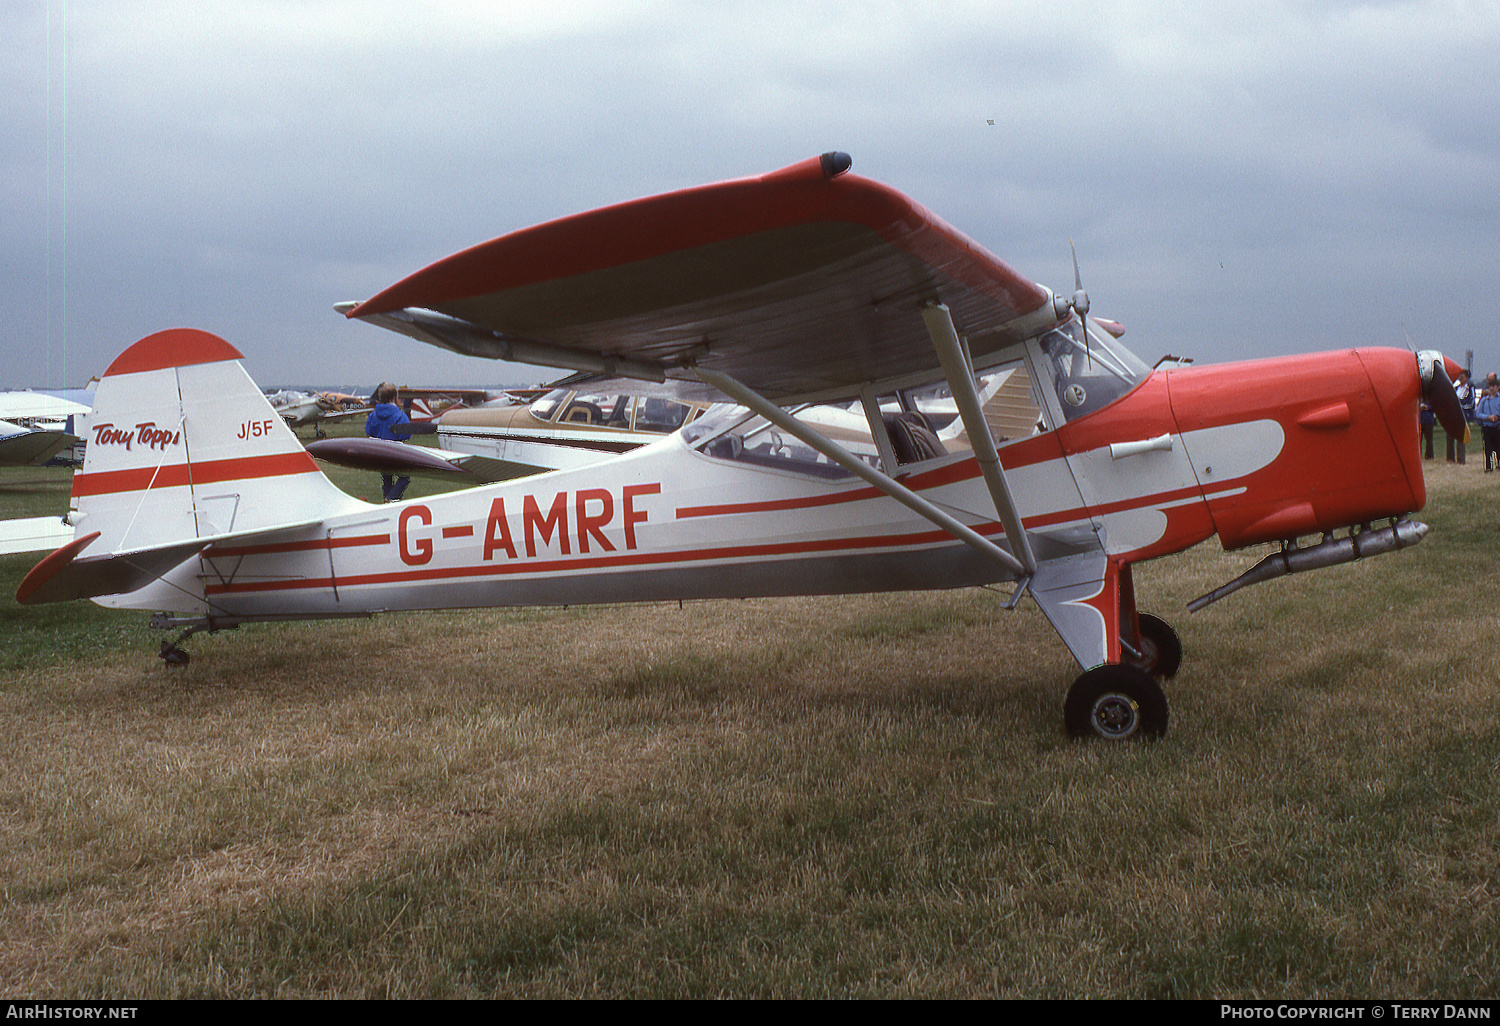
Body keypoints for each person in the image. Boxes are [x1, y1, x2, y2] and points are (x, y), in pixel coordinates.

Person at [365, 382, 412, 501]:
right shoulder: (399, 415)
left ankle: (388, 501)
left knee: (387, 479)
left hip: (379, 453)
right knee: (405, 477)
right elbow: (405, 435)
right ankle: (391, 497)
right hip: (395, 453)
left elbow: (368, 431)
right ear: (394, 397)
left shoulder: (372, 415)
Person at [1448, 369, 1475, 464]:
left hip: (1463, 416)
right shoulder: (1456, 388)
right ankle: (1450, 458)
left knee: (1461, 438)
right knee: (1450, 437)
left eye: (1462, 377)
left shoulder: (1470, 389)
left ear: (1467, 378)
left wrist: (1460, 406)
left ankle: (1461, 459)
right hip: (1453, 417)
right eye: (1460, 377)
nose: (1460, 379)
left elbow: (1471, 404)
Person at [1475, 381, 1500, 473]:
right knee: (1487, 448)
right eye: (1490, 386)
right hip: (1487, 427)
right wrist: (1487, 417)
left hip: (1497, 427)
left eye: (1494, 386)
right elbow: (1478, 414)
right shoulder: (1484, 400)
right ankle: (1488, 467)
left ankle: (1498, 464)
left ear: (1498, 387)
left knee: (1498, 447)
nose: (1492, 388)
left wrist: (1497, 417)